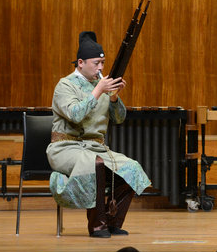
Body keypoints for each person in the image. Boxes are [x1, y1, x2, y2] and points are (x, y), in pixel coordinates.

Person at [47, 31, 151, 238]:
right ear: (80, 63)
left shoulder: (101, 85)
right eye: (96, 63)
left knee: (131, 168)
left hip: (95, 147)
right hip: (65, 148)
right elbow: (75, 115)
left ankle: (113, 222)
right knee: (95, 165)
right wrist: (98, 91)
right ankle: (97, 226)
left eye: (103, 63)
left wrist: (114, 98)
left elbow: (119, 118)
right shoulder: (65, 85)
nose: (101, 68)